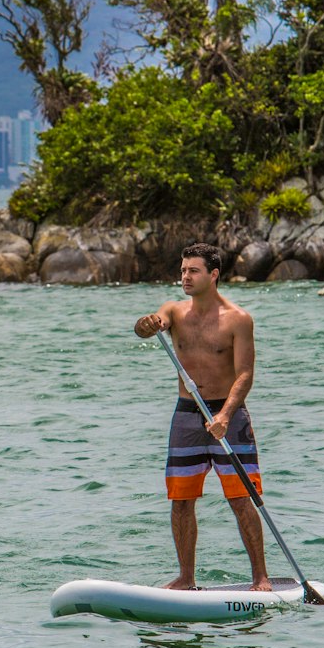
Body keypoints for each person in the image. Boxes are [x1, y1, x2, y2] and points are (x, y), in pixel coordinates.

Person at [134, 242, 271, 592]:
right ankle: (186, 578)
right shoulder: (175, 313)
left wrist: (225, 415)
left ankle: (261, 579)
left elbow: (245, 374)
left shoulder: (238, 320)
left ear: (213, 275)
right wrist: (147, 325)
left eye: (193, 271)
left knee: (241, 499)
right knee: (181, 501)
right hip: (186, 417)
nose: (185, 277)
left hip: (228, 415)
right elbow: (148, 325)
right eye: (182, 271)